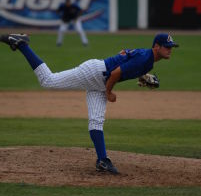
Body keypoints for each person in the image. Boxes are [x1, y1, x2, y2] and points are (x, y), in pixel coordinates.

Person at [0, 33, 179, 174]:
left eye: (171, 47)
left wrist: (142, 76)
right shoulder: (145, 59)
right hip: (95, 74)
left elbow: (123, 55)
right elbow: (116, 73)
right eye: (167, 46)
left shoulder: (147, 59)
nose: (170, 49)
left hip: (100, 80)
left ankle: (102, 161)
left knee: (96, 120)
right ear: (157, 46)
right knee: (48, 80)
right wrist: (109, 92)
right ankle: (22, 44)